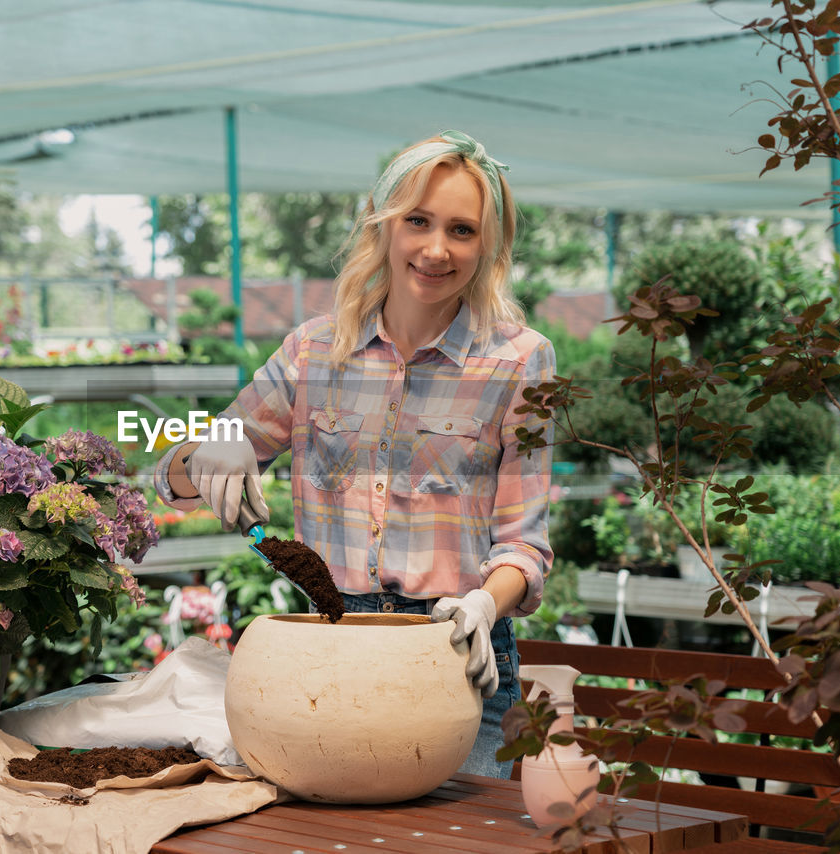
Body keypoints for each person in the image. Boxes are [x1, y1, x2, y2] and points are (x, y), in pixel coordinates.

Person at [154, 129, 554, 778]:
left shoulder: (520, 360)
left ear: (490, 246)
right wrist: (212, 446)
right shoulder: (315, 351)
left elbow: (524, 541)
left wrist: (484, 604)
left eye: (462, 230)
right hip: (332, 649)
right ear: (383, 225)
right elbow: (170, 478)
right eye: (417, 221)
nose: (435, 248)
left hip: (454, 653)